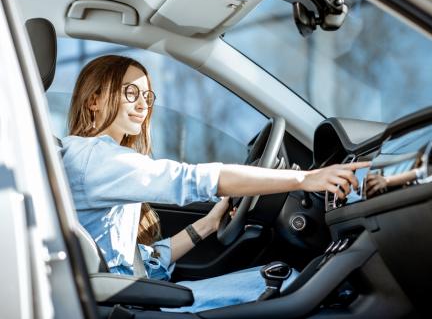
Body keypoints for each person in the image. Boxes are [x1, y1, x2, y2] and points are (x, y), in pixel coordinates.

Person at [61, 55, 369, 312]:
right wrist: (304, 178)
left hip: (133, 298)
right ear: (94, 101)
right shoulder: (96, 157)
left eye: (147, 95)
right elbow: (193, 179)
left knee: (279, 280)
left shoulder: (98, 159)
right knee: (287, 283)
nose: (143, 104)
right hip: (129, 305)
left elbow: (140, 262)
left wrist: (208, 225)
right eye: (131, 93)